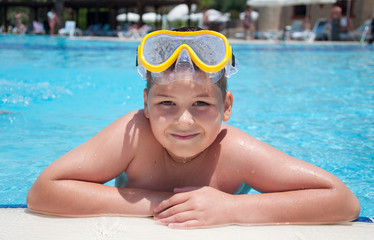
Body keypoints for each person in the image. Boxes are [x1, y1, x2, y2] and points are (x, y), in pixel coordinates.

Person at [27, 27, 360, 229]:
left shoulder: (234, 151)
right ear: (146, 104)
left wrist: (233, 209)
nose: (183, 120)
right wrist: (160, 204)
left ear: (226, 107)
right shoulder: (134, 135)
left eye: (201, 104)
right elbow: (43, 192)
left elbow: (343, 201)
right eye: (166, 103)